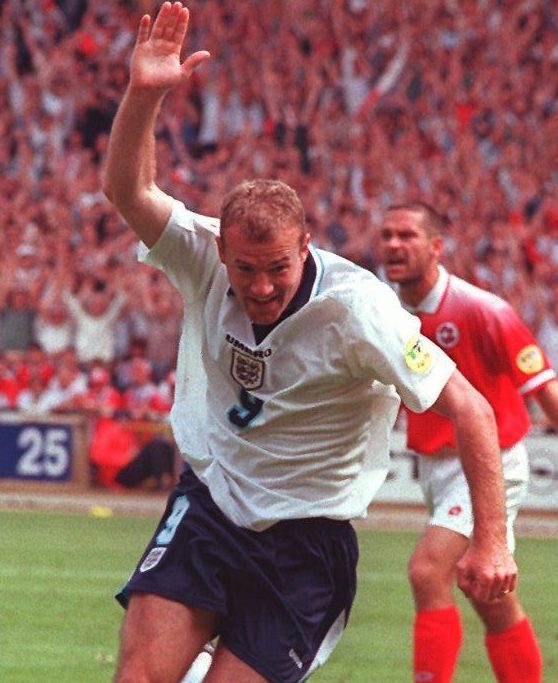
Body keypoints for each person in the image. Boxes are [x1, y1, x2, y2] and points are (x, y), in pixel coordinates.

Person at [103, 5, 518, 682]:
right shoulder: (202, 255)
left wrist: (494, 540)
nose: (261, 287)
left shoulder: (359, 311)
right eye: (245, 269)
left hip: (306, 545)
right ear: (222, 252)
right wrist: (145, 94)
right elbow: (128, 189)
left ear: (305, 246)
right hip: (211, 505)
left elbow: (470, 406)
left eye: (277, 269)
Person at [377, 201, 558, 683]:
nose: (394, 244)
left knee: (427, 571)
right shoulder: (386, 314)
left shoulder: (484, 310)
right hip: (437, 470)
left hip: (491, 461)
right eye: (388, 235)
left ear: (436, 247)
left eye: (407, 236)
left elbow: (544, 388)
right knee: (490, 597)